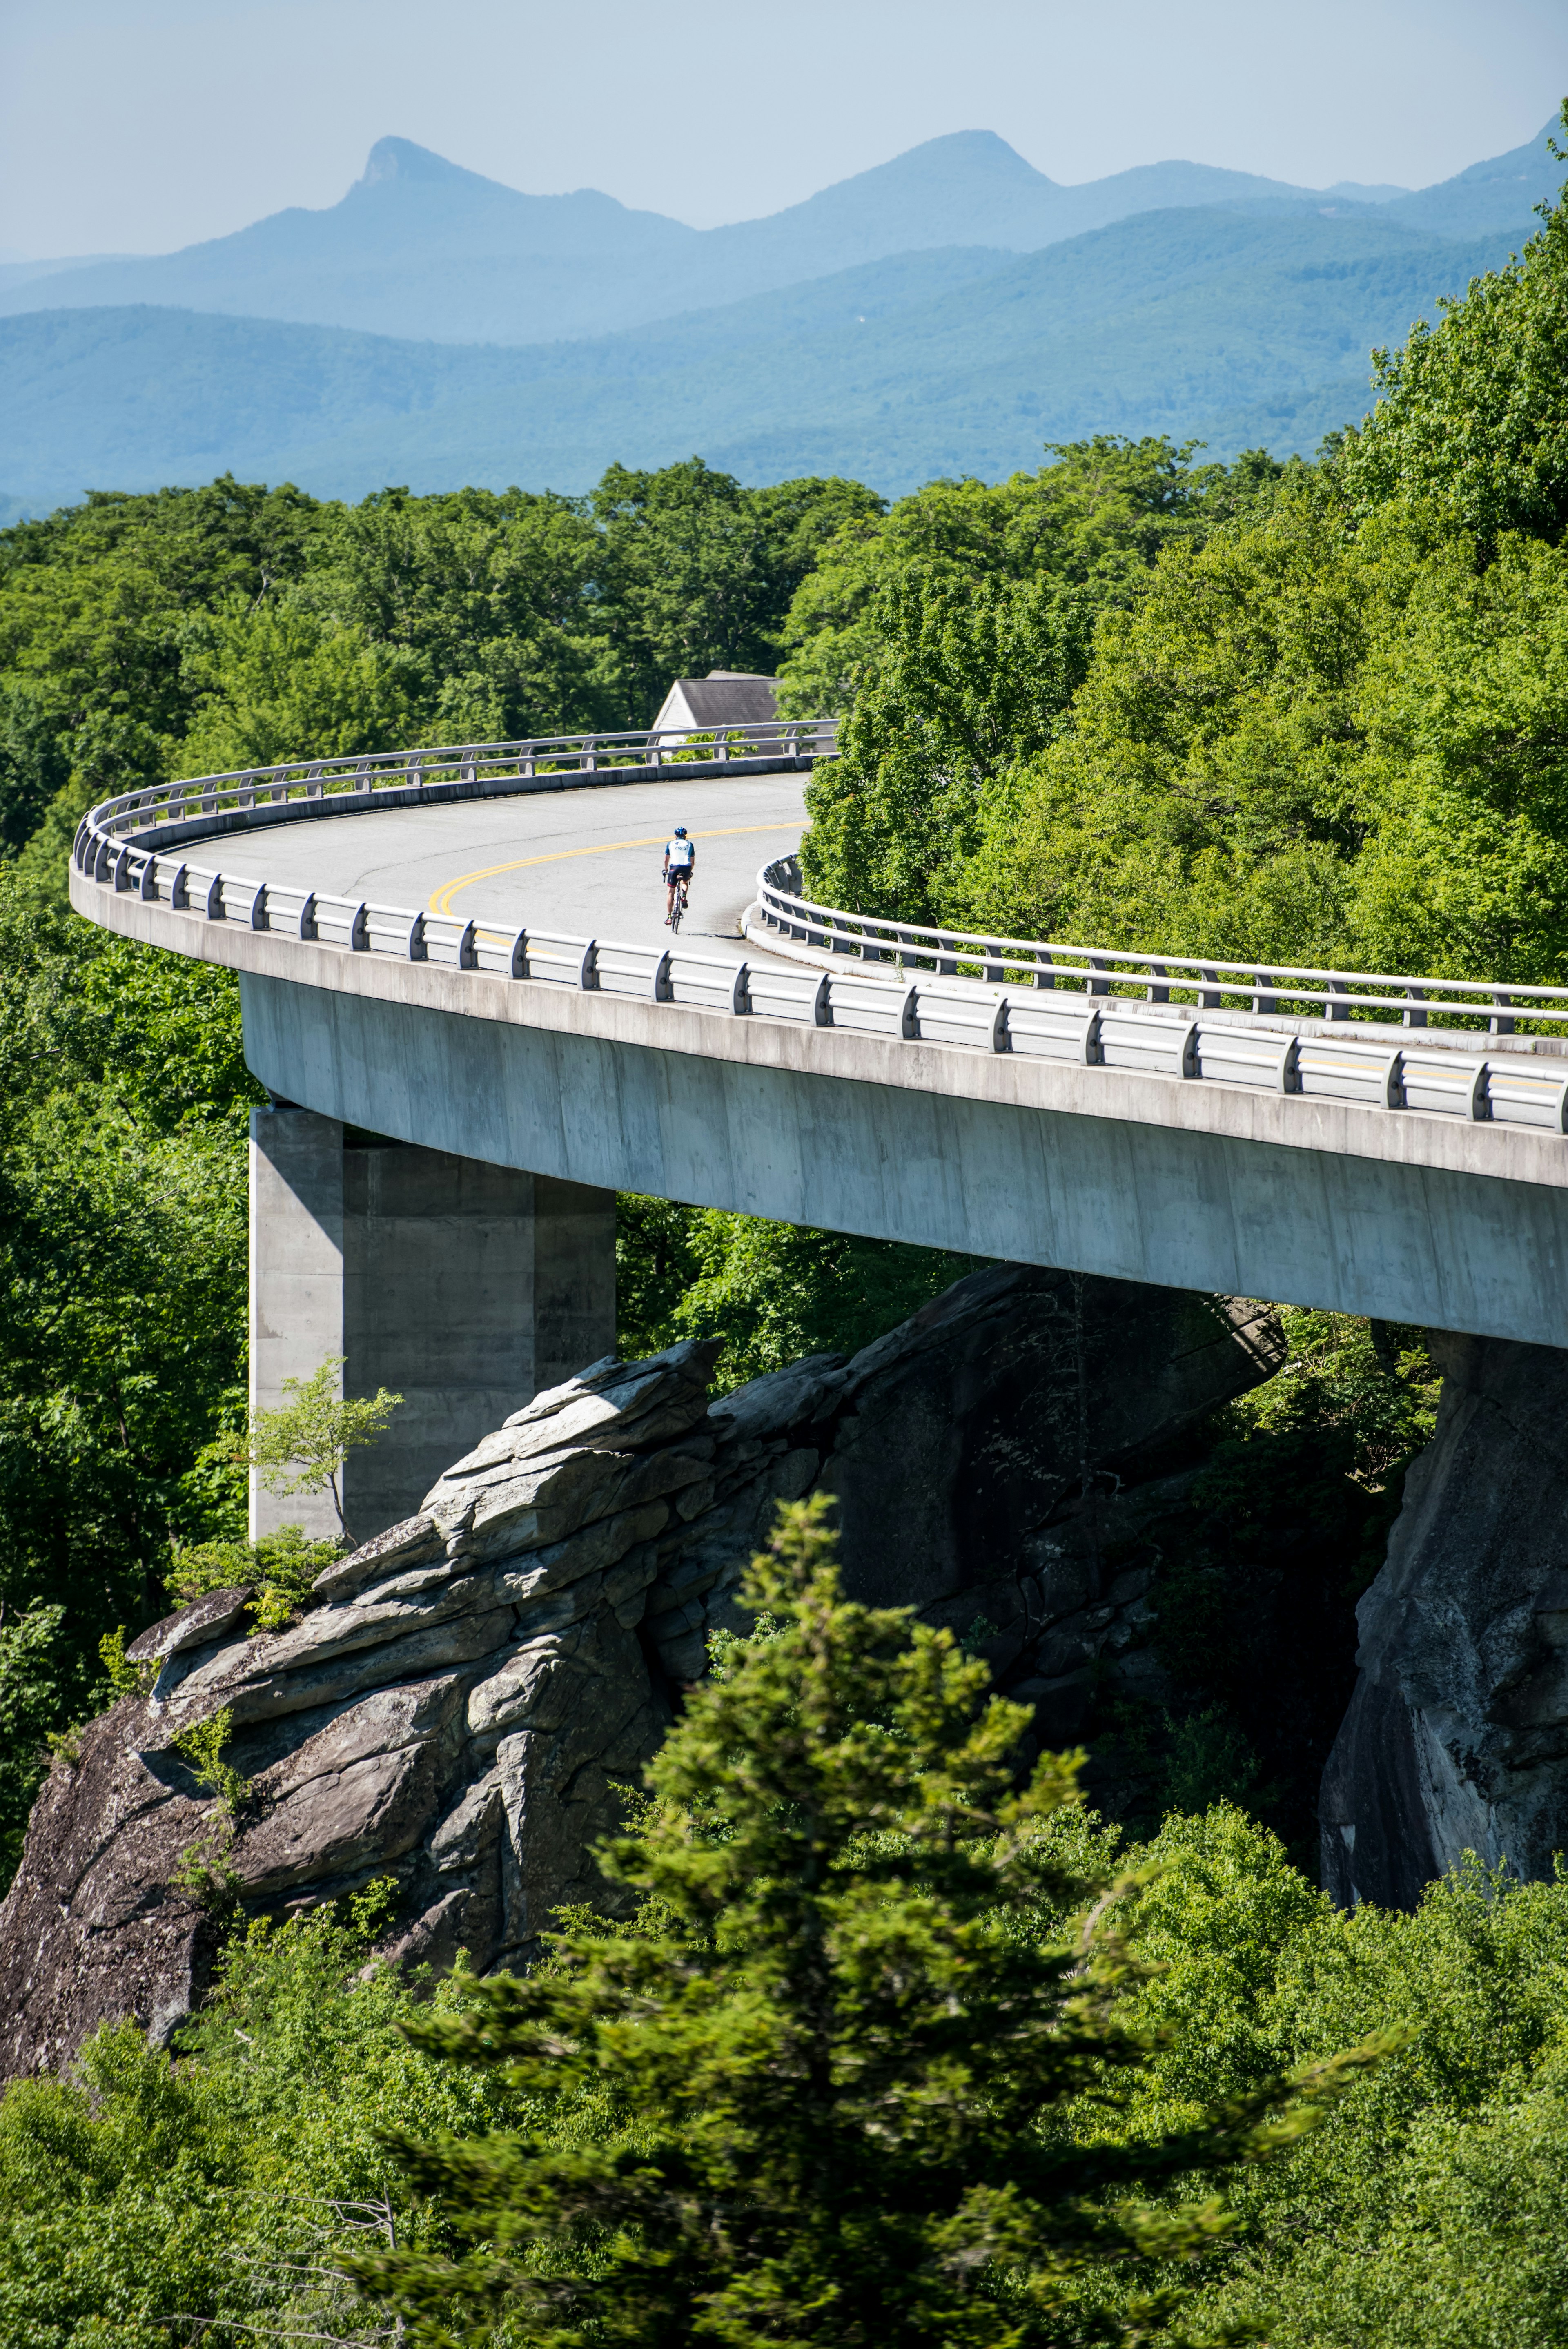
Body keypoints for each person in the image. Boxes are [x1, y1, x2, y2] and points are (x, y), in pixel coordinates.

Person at [663, 825, 696, 924]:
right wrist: (690, 871)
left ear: (676, 836)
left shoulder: (671, 844)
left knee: (670, 893)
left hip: (674, 867)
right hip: (686, 866)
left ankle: (669, 917)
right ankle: (684, 897)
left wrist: (666, 870)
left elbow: (666, 859)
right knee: (685, 882)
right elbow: (692, 861)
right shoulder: (690, 844)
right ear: (685, 836)